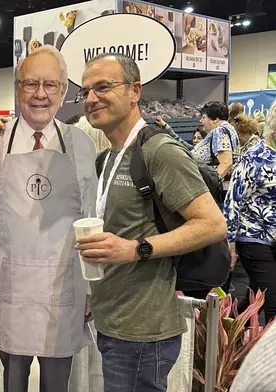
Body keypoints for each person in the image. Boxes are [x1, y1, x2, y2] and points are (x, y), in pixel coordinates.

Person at [74, 53, 226, 392]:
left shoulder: (160, 151)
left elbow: (212, 224)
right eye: (85, 92)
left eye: (103, 87)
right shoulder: (107, 158)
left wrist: (136, 248)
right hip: (114, 322)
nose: (92, 98)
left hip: (144, 331)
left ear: (134, 91)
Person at [0, 45, 95, 392]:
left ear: (63, 91)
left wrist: (92, 285)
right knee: (13, 380)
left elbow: (91, 218)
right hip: (12, 285)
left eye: (50, 85)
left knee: (57, 382)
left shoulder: (80, 144)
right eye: (30, 84)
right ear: (17, 87)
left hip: (66, 283)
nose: (40, 94)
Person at [224, 100, 276, 324]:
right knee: (273, 300)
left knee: (255, 295)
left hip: (272, 238)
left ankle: (228, 329)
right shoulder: (255, 156)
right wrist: (230, 245)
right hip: (254, 237)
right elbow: (232, 201)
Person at [192, 101, 240, 183]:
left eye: (203, 118)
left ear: (215, 119)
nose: (201, 121)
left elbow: (226, 162)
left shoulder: (219, 131)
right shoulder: (228, 128)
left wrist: (213, 184)